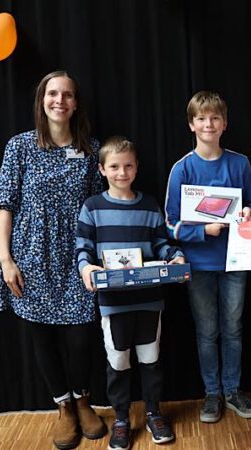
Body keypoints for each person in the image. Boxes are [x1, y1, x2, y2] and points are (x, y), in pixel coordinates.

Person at [0, 70, 106, 450]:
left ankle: (84, 399)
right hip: (31, 256)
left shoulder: (91, 149)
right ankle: (64, 408)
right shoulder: (19, 146)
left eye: (67, 95)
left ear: (76, 103)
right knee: (42, 337)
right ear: (42, 100)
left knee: (79, 338)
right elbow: (4, 204)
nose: (60, 101)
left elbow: (100, 205)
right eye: (53, 94)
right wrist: (5, 259)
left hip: (78, 256)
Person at [76, 137, 184, 449]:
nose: (121, 172)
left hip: (149, 300)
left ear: (136, 168)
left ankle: (153, 413)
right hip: (113, 303)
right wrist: (86, 269)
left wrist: (175, 257)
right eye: (114, 166)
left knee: (151, 360)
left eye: (128, 166)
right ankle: (121, 419)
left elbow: (162, 242)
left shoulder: (150, 205)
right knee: (118, 363)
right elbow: (82, 248)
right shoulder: (92, 207)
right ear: (102, 169)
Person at [164, 91, 251, 423]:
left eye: (215, 118)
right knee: (207, 331)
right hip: (199, 264)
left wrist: (249, 211)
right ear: (192, 124)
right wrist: (202, 232)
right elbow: (170, 224)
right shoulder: (182, 169)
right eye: (202, 118)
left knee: (233, 328)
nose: (209, 124)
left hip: (236, 261)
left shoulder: (239, 163)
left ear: (225, 124)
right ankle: (212, 394)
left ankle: (233, 390)